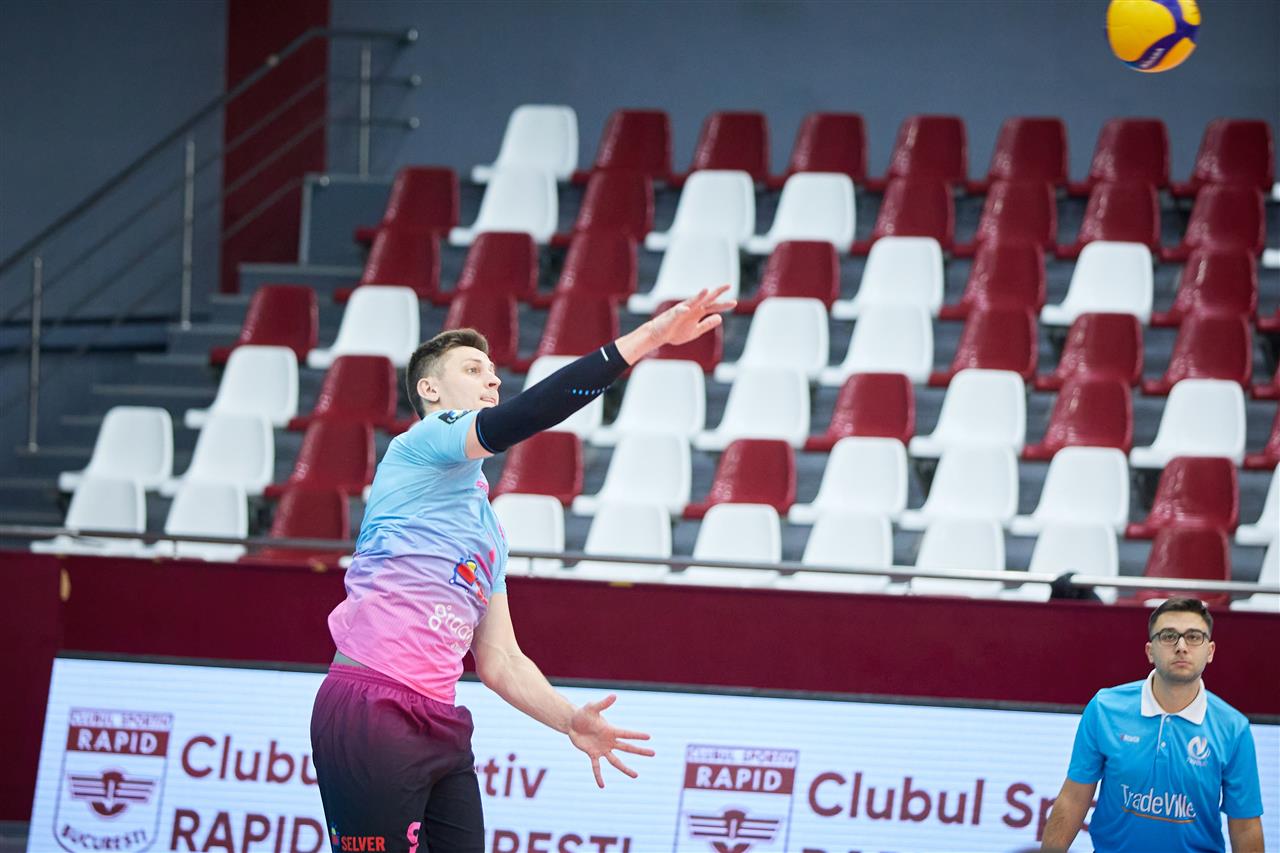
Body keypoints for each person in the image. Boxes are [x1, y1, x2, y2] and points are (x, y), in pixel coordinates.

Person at [310, 287, 735, 853]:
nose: (491, 381)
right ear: (430, 390)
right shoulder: (420, 444)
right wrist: (650, 337)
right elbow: (531, 412)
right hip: (372, 704)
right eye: (473, 369)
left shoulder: (488, 531)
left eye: (493, 373)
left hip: (441, 720)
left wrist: (569, 720)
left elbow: (501, 660)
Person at [1041, 598, 1265, 853]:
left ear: (1210, 651)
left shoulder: (1234, 728)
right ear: (1150, 651)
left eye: (1194, 637)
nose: (1181, 647)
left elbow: (1245, 825)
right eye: (1169, 636)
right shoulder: (1104, 708)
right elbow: (1073, 798)